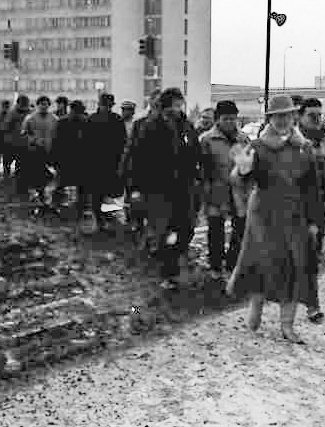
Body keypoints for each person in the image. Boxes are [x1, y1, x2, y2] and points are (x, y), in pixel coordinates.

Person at [227, 95, 322, 342]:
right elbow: (242, 180)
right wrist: (243, 170)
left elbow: (313, 188)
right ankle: (255, 311)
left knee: (292, 265)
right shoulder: (258, 146)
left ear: (294, 118)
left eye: (287, 116)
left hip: (294, 214)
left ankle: (287, 326)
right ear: (270, 118)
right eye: (278, 116)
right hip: (264, 214)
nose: (283, 121)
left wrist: (313, 221)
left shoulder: (305, 148)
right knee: (262, 262)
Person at [123, 87, 201, 288]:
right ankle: (169, 272)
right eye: (175, 105)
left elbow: (195, 153)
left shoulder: (186, 126)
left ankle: (170, 257)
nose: (178, 108)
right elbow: (139, 158)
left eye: (180, 104)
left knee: (186, 229)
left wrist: (197, 176)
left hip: (184, 187)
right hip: (159, 189)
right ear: (165, 106)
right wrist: (136, 187)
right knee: (166, 230)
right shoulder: (151, 127)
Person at [297, 97, 325, 323]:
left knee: (313, 255)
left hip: (320, 207)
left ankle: (310, 302)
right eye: (311, 115)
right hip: (293, 207)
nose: (316, 119)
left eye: (318, 114)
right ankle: (305, 301)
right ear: (300, 116)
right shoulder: (293, 140)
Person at [199, 100, 248, 278]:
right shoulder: (207, 139)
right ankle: (215, 266)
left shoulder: (243, 139)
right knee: (216, 231)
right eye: (226, 119)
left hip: (239, 193)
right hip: (215, 191)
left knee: (240, 229)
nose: (230, 123)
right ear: (218, 119)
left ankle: (232, 263)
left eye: (233, 119)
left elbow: (248, 167)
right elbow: (202, 170)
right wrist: (205, 193)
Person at [85, 93, 128, 230]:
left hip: (97, 162)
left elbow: (84, 141)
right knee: (106, 193)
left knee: (99, 193)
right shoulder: (116, 119)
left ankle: (101, 220)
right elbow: (123, 141)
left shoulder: (92, 119)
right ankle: (104, 220)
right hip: (109, 162)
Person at [21, 95, 59, 210]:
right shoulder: (30, 118)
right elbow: (23, 132)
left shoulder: (54, 119)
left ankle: (45, 197)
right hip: (35, 150)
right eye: (41, 104)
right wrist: (30, 139)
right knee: (37, 174)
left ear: (49, 105)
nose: (44, 106)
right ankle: (39, 196)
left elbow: (58, 134)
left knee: (49, 175)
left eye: (46, 104)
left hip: (49, 150)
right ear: (38, 105)